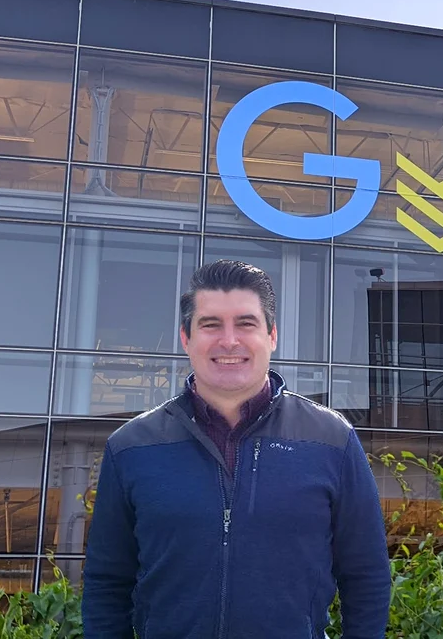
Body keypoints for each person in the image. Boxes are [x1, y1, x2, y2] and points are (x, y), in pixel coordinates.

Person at [82, 259, 391, 638]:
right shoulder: (131, 447)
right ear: (186, 338)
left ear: (272, 335)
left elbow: (367, 576)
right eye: (211, 325)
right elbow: (106, 584)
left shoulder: (332, 439)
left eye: (246, 324)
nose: (229, 341)